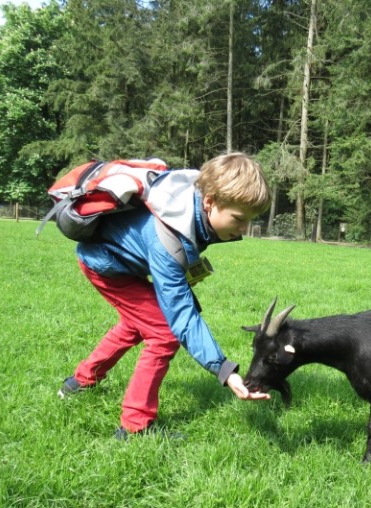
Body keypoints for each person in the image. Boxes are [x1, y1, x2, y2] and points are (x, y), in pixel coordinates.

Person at [57, 152, 271, 439]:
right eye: (239, 219)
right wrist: (224, 370)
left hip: (122, 262)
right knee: (164, 333)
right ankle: (134, 427)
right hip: (106, 266)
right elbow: (180, 315)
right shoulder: (168, 237)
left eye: (250, 220)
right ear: (210, 202)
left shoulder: (193, 204)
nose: (244, 229)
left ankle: (79, 382)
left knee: (136, 324)